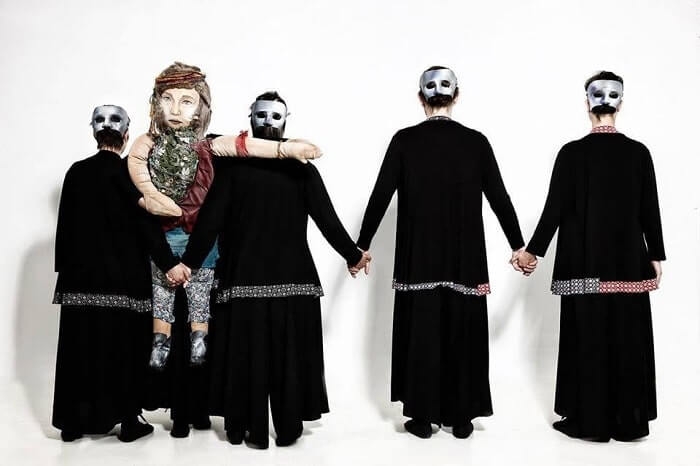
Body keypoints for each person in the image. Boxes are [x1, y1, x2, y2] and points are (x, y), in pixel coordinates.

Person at [179, 91, 370, 448]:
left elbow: (210, 223)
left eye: (274, 116)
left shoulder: (234, 170)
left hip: (243, 280)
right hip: (292, 281)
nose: (268, 122)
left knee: (245, 355)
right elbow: (327, 220)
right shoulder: (297, 169)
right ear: (251, 118)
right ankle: (288, 426)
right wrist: (353, 255)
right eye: (263, 115)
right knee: (288, 357)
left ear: (285, 120)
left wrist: (186, 263)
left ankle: (243, 426)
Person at [356, 66, 525, 439]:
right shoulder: (476, 142)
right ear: (456, 96)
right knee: (463, 331)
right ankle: (461, 418)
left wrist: (362, 246)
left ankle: (421, 416)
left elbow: (380, 194)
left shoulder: (404, 141)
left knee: (422, 335)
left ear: (421, 98)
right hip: (465, 260)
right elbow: (499, 197)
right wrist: (518, 245)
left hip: (418, 259)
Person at [126, 62, 322, 371]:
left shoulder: (210, 148)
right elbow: (138, 194)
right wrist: (165, 251)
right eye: (167, 99)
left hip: (200, 249)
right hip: (162, 247)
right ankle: (161, 344)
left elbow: (245, 147)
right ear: (155, 102)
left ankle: (197, 342)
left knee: (200, 305)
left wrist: (288, 150)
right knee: (161, 304)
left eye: (186, 101)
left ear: (200, 107)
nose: (175, 109)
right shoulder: (146, 149)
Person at [517, 71, 664, 442]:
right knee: (628, 341)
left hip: (583, 265)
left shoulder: (571, 154)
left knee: (589, 341)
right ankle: (628, 423)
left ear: (587, 104)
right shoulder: (639, 153)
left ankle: (590, 423)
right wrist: (656, 255)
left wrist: (531, 253)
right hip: (629, 264)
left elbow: (553, 210)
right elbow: (649, 209)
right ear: (620, 104)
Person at [52, 105, 178, 442]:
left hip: (79, 280)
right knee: (123, 349)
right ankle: (128, 421)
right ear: (126, 134)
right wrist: (169, 264)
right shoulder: (131, 174)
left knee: (80, 347)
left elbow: (65, 228)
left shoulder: (76, 172)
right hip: (124, 279)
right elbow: (148, 226)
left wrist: (66, 271)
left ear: (94, 132)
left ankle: (72, 423)